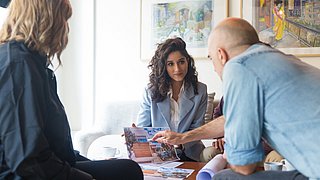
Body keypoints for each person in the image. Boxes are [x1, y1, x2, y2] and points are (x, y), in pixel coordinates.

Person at [153, 17, 320, 179]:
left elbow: (244, 166)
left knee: (224, 177)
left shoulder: (239, 67)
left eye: (211, 59)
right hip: (308, 170)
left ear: (221, 55)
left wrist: (233, 149)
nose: (214, 68)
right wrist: (182, 137)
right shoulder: (281, 60)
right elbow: (229, 120)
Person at [0, 0, 143, 179]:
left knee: (126, 169)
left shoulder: (35, 65)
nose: (66, 28)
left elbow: (54, 144)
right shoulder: (18, 64)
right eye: (65, 19)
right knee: (127, 173)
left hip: (50, 162)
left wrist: (88, 164)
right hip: (23, 173)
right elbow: (28, 160)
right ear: (47, 18)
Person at [136, 37, 208, 162]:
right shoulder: (150, 91)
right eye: (170, 64)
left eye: (181, 62)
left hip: (189, 153)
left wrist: (180, 141)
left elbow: (198, 130)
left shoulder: (200, 90)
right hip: (159, 154)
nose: (177, 69)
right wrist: (136, 133)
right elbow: (144, 127)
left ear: (188, 62)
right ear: (163, 67)